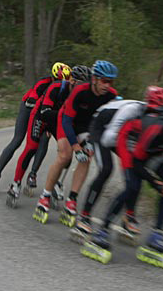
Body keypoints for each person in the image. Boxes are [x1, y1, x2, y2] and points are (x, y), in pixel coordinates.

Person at [85, 96, 163, 265]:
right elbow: (137, 164)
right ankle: (102, 232)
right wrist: (157, 185)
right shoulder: (155, 130)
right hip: (130, 142)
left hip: (153, 148)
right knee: (132, 187)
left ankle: (157, 234)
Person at [71, 86, 163, 241]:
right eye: (156, 113)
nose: (158, 117)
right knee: (106, 169)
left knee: (135, 174)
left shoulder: (156, 119)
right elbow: (109, 138)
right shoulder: (133, 110)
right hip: (102, 128)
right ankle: (84, 217)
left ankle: (129, 217)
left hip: (124, 134)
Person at [33, 60, 118, 225]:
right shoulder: (80, 91)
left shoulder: (111, 95)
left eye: (111, 82)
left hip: (86, 125)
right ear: (94, 79)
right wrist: (76, 146)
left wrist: (88, 146)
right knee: (65, 156)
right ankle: (45, 196)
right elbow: (66, 121)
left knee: (86, 156)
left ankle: (72, 200)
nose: (107, 85)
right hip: (67, 120)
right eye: (104, 81)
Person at [6, 65, 92, 207]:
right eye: (82, 85)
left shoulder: (82, 96)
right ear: (72, 82)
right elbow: (45, 112)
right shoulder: (57, 87)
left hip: (58, 120)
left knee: (67, 153)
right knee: (32, 147)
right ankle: (15, 184)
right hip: (41, 116)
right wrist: (65, 117)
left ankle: (58, 183)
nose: (85, 89)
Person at [0, 62, 72, 193]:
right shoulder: (44, 82)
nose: (59, 84)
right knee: (18, 139)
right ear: (53, 77)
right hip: (29, 108)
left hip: (46, 113)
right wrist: (39, 107)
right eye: (57, 80)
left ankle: (33, 174)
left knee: (44, 140)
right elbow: (32, 98)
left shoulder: (64, 90)